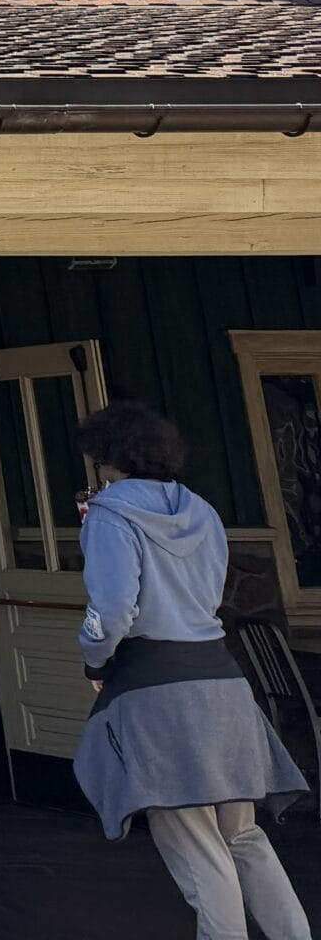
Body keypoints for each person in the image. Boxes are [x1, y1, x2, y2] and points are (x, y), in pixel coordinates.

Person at [73, 399, 310, 940]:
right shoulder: (201, 509)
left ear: (105, 457)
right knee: (242, 835)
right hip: (222, 683)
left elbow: (112, 608)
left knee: (196, 842)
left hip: (157, 687)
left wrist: (95, 657)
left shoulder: (110, 515)